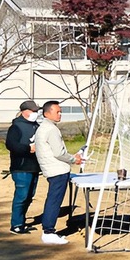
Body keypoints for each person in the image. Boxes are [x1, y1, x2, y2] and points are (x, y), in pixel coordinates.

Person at [33, 100, 83, 246]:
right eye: (57, 112)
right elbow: (59, 153)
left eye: (61, 111)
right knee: (54, 201)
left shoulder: (43, 128)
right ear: (47, 113)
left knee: (53, 200)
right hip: (57, 170)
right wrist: (74, 159)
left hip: (52, 169)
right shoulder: (51, 129)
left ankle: (48, 231)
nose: (60, 114)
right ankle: (48, 231)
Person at [4, 100, 42, 234]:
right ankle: (16, 224)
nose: (35, 113)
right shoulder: (16, 127)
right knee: (22, 196)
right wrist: (28, 148)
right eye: (33, 111)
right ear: (24, 111)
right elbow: (11, 145)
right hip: (21, 167)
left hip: (34, 167)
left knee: (30, 196)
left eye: (36, 111)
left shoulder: (36, 126)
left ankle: (22, 221)